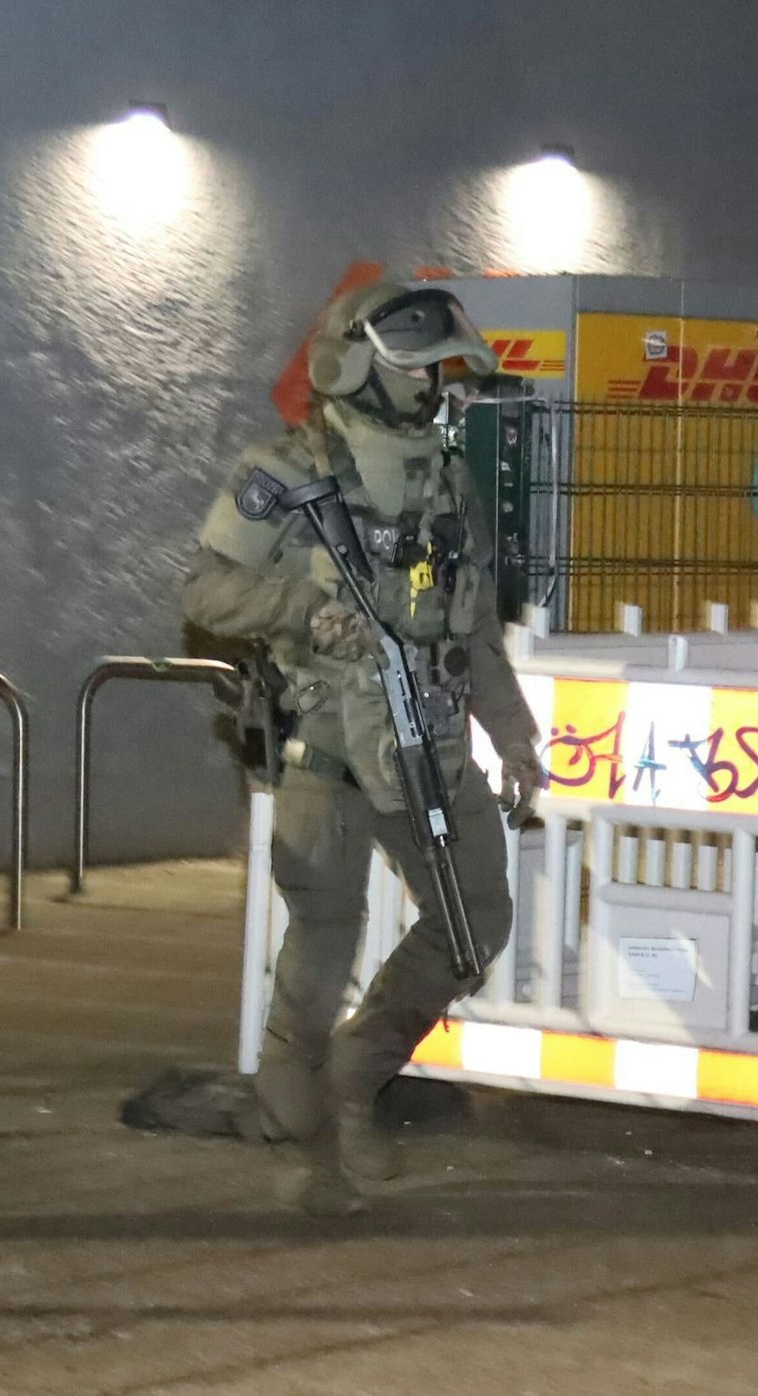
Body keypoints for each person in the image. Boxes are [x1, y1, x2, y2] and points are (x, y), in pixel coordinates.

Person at [182, 280, 543, 1212]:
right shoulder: (286, 469)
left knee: (474, 923)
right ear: (352, 360)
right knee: (319, 949)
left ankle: (353, 1077)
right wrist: (305, 609)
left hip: (431, 740)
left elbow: (473, 627)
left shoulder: (446, 479)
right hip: (330, 744)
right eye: (413, 367)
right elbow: (207, 595)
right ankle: (305, 1140)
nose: (431, 387)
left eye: (435, 369)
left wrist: (513, 734)